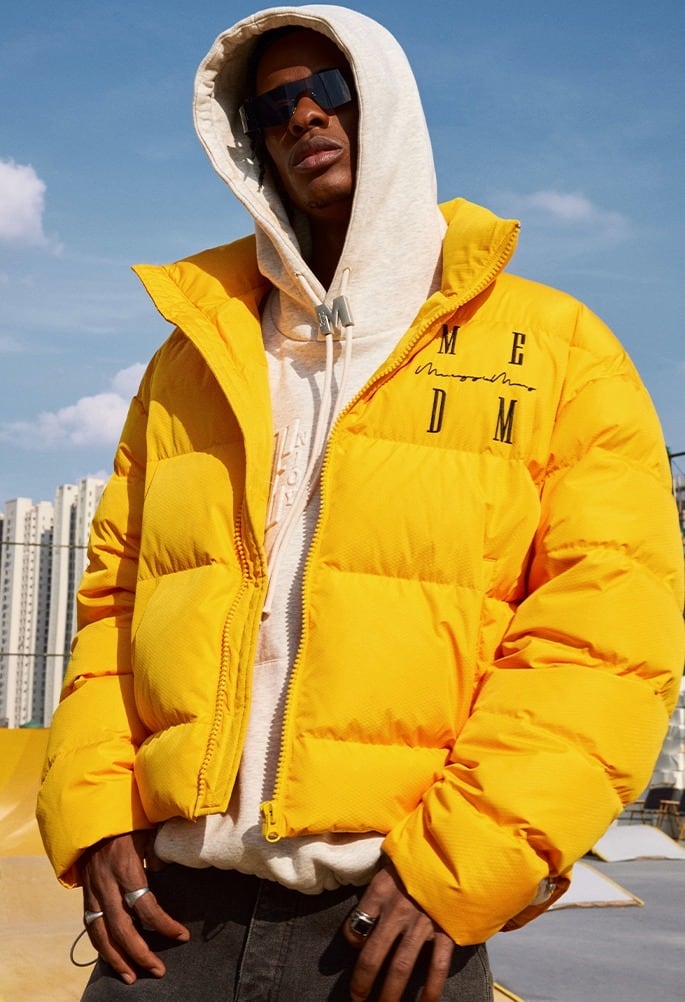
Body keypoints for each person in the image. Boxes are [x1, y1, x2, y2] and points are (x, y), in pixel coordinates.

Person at [37, 6, 684, 1001]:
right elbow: (113, 609)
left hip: (388, 932)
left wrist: (464, 860)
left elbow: (605, 633)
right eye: (272, 109)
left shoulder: (556, 352)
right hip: (166, 927)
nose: (302, 117)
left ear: (386, 104)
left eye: (327, 90)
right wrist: (94, 816)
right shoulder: (191, 360)